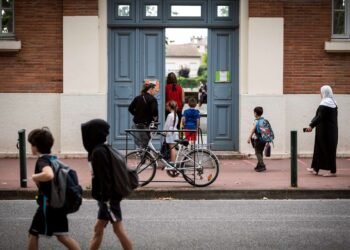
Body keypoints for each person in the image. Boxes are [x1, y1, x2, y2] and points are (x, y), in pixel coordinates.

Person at [81, 119, 133, 250]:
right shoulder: (101, 149)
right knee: (98, 229)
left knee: (118, 230)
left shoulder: (98, 152)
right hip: (107, 198)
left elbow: (105, 178)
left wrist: (105, 199)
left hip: (108, 198)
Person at [27, 128, 80, 250]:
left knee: (33, 234)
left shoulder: (42, 161)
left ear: (36, 146)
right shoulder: (53, 159)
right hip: (57, 205)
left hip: (48, 206)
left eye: (31, 145)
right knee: (63, 237)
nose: (31, 147)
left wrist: (34, 176)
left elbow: (49, 175)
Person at [305, 85, 338, 177]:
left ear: (324, 92)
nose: (320, 93)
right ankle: (315, 168)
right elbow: (319, 116)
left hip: (326, 132)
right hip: (326, 131)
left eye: (321, 92)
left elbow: (319, 117)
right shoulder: (332, 102)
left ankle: (332, 171)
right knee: (318, 149)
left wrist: (311, 125)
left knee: (328, 150)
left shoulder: (325, 104)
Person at [128, 81, 159, 147]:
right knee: (145, 143)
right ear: (150, 89)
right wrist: (155, 122)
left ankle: (144, 155)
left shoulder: (137, 98)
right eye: (155, 90)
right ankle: (144, 156)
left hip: (137, 123)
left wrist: (137, 115)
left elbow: (130, 108)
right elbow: (155, 112)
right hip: (146, 124)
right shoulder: (152, 99)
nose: (156, 92)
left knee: (142, 143)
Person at [247, 107, 267, 172]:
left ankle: (262, 165)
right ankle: (259, 165)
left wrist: (249, 138)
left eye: (254, 112)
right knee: (260, 152)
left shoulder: (256, 121)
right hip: (264, 139)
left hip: (257, 139)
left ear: (255, 113)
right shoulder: (263, 120)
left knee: (257, 152)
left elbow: (253, 130)